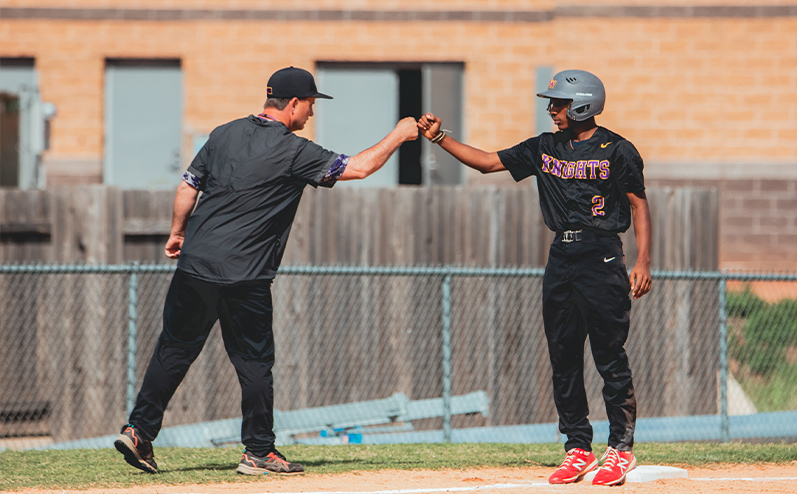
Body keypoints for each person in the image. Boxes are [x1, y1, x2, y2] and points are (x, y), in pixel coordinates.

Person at [114, 66, 419, 476]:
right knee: (254, 363)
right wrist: (400, 134)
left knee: (173, 350)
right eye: (310, 103)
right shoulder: (294, 150)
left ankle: (138, 432)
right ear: (293, 103)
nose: (311, 112)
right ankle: (258, 451)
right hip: (245, 277)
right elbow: (359, 168)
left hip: (195, 268)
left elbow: (189, 185)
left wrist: (177, 233)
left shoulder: (222, 134)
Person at [418, 69, 652, 486]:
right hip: (561, 256)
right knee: (563, 358)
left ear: (582, 104)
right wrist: (439, 138)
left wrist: (643, 261)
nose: (551, 109)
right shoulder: (545, 147)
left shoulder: (618, 150)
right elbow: (489, 162)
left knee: (609, 356)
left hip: (601, 256)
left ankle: (621, 448)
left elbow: (638, 205)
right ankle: (578, 447)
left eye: (558, 103)